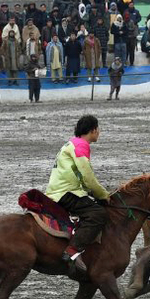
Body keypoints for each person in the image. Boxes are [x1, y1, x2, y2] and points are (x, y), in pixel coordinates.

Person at [45, 115, 110, 273]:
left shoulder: (72, 143)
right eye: (98, 129)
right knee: (99, 214)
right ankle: (72, 250)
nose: (99, 133)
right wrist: (103, 195)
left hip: (59, 190)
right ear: (93, 130)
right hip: (65, 192)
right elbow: (88, 177)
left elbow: (82, 178)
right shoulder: (81, 145)